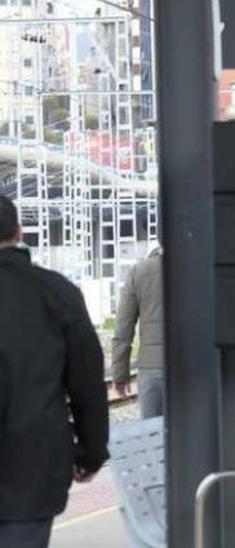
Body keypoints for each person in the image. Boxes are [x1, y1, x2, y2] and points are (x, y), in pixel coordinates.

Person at [0, 195, 109, 547]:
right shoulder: (57, 293)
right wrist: (91, 452)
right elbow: (87, 384)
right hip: (32, 470)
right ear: (18, 233)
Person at [112, 246, 165, 418]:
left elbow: (123, 327)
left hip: (152, 369)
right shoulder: (196, 268)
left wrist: (120, 374)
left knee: (153, 434)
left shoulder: (139, 271)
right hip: (192, 368)